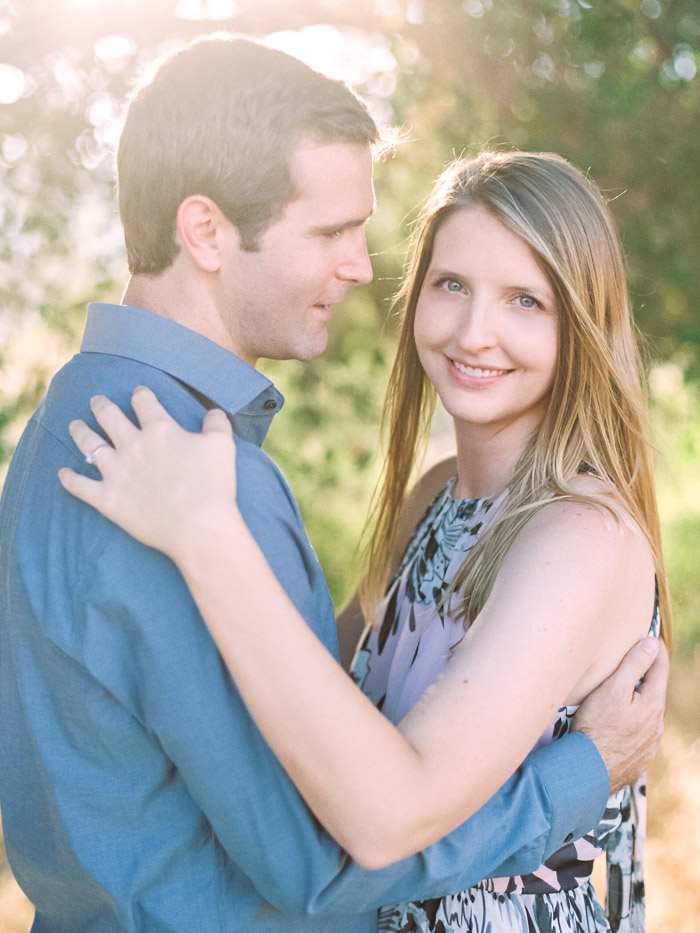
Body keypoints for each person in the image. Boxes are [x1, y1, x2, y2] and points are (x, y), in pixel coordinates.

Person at [0, 28, 665, 932]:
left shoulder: (70, 420)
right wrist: (581, 772)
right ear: (205, 230)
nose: (360, 266)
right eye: (449, 283)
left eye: (525, 300)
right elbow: (321, 858)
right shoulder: (192, 478)